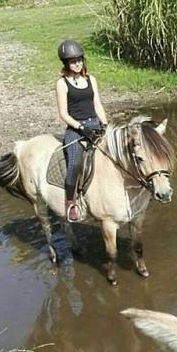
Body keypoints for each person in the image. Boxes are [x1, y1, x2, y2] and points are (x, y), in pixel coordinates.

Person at [56, 39, 108, 222]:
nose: (77, 64)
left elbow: (97, 104)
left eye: (79, 60)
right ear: (66, 63)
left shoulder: (90, 79)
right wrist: (81, 127)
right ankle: (70, 202)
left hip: (95, 124)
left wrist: (105, 124)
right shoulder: (62, 83)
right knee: (75, 165)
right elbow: (63, 113)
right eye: (72, 61)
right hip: (76, 129)